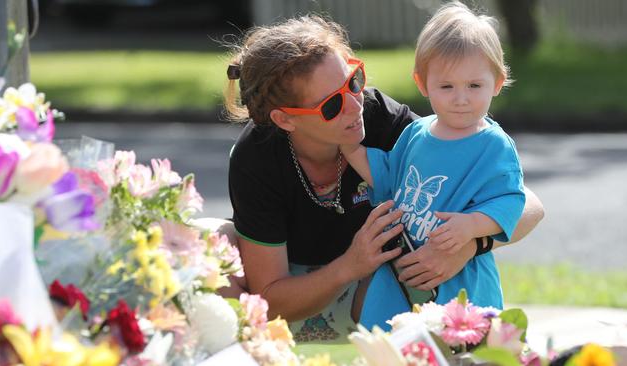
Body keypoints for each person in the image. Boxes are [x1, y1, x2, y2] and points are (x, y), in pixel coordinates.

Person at [223, 14, 544, 342]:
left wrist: (469, 245)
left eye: (353, 82)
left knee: (414, 270)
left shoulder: (380, 118)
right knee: (210, 250)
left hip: (373, 290)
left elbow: (527, 204)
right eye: (331, 105)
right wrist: (350, 265)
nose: (353, 105)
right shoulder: (257, 156)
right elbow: (268, 301)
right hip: (293, 299)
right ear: (285, 119)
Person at [342, 1, 523, 313]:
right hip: (400, 271)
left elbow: (509, 201)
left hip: (459, 275)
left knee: (461, 349)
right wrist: (348, 148)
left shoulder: (494, 146)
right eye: (446, 86)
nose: (461, 98)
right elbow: (387, 176)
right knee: (394, 347)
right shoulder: (416, 134)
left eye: (474, 85)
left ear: (497, 82)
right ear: (422, 84)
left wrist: (471, 226)